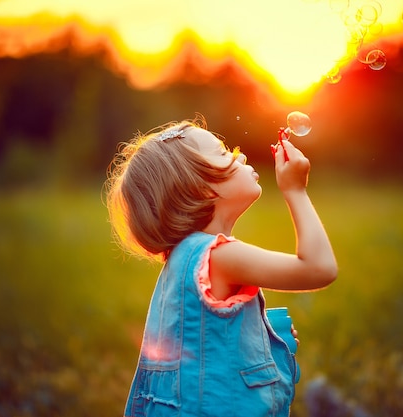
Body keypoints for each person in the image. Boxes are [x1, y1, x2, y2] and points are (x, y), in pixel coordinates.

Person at [105, 114, 337, 417]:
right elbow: (319, 268)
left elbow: (207, 342)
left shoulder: (187, 256)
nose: (239, 154)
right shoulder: (218, 256)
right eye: (224, 153)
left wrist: (264, 336)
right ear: (201, 189)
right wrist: (295, 190)